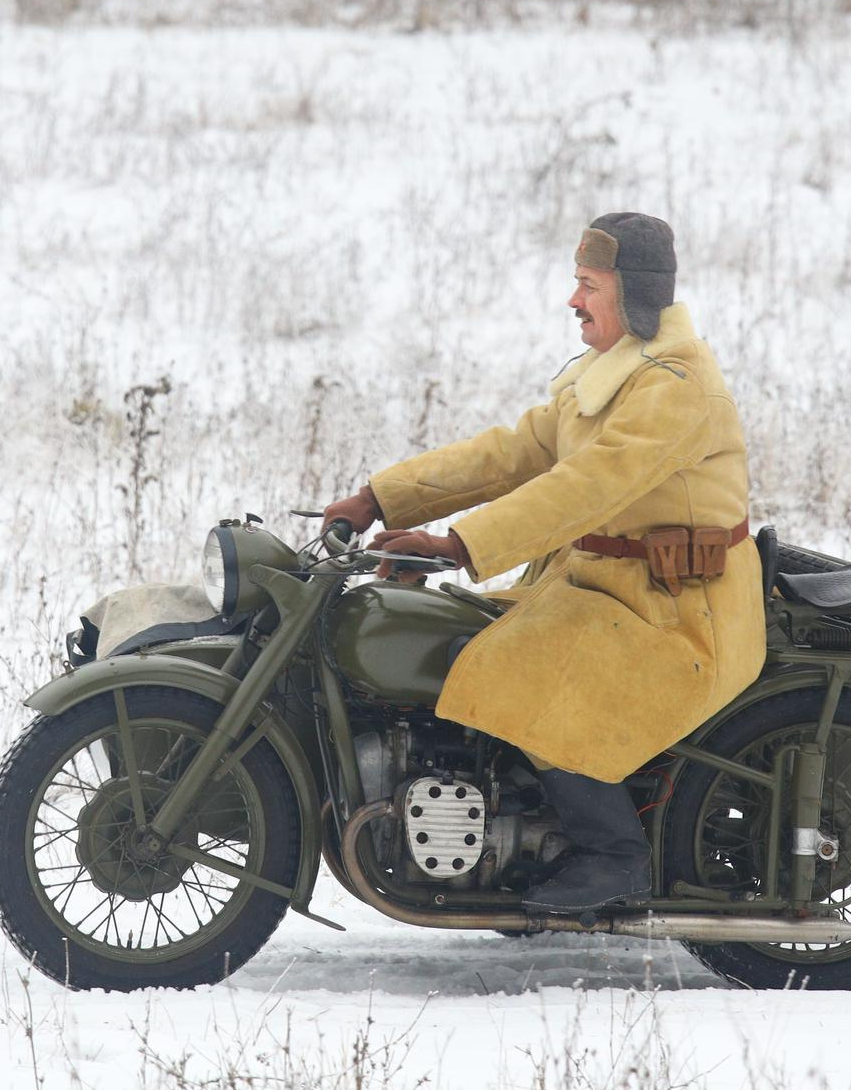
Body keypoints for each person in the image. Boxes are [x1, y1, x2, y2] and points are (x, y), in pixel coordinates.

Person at [322, 213, 764, 914]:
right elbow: (514, 452)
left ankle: (611, 851)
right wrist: (381, 496)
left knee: (513, 674)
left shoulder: (676, 387)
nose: (573, 300)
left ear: (634, 294)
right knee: (453, 642)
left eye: (589, 285)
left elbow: (586, 485)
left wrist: (456, 545)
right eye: (576, 282)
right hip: (601, 587)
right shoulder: (609, 372)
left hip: (676, 611)